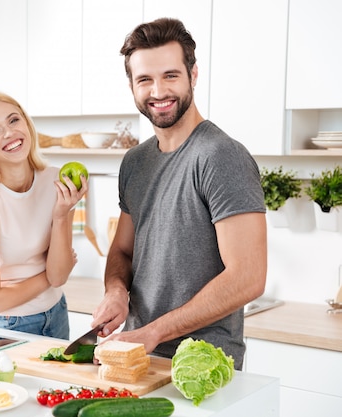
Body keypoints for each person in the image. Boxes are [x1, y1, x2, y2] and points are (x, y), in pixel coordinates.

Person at [90, 18, 267, 369]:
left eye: (170, 76)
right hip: (138, 355)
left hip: (203, 363)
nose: (158, 91)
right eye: (145, 79)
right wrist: (116, 292)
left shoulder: (220, 156)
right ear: (132, 86)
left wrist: (153, 332)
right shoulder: (135, 161)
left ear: (193, 75)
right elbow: (123, 250)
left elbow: (248, 277)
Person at [0, 91, 88, 340]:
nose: (9, 133)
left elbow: (60, 276)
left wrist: (61, 215)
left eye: (14, 120)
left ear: (26, 123)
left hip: (57, 313)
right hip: (8, 326)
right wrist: (47, 277)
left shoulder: (57, 181)